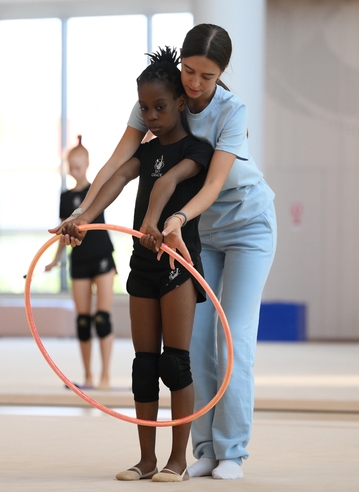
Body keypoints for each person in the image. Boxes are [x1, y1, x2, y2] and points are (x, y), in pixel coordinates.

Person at [54, 24, 277, 480]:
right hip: (197, 235)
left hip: (246, 226)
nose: (195, 84)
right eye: (189, 71)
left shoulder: (231, 111)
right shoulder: (163, 96)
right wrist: (83, 214)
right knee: (194, 344)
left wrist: (173, 219)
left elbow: (211, 183)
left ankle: (232, 451)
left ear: (222, 76)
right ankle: (205, 450)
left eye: (207, 77)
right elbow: (118, 165)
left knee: (233, 336)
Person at [63, 46, 213, 483]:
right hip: (142, 265)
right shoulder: (144, 153)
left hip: (176, 263)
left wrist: (152, 222)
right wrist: (83, 219)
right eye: (144, 107)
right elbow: (116, 179)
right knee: (144, 365)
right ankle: (146, 459)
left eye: (160, 106)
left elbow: (169, 182)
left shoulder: (197, 149)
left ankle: (178, 460)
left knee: (175, 363)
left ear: (181, 103)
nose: (150, 115)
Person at [45, 136, 116, 390]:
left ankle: (106, 376)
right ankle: (88, 376)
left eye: (78, 167)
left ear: (86, 164)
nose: (74, 172)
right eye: (70, 167)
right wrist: (54, 262)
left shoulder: (97, 188)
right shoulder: (65, 197)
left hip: (102, 257)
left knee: (102, 319)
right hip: (80, 261)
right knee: (83, 321)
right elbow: (63, 234)